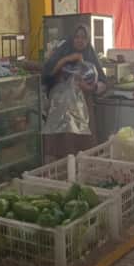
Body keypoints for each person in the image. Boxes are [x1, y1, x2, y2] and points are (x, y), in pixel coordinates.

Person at [42, 25, 107, 163]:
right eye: (77, 37)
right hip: (60, 107)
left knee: (82, 150)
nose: (80, 40)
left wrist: (90, 87)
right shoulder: (63, 52)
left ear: (88, 40)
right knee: (62, 147)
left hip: (83, 107)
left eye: (84, 37)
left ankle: (80, 169)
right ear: (72, 38)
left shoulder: (90, 56)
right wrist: (68, 59)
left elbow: (103, 82)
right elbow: (48, 73)